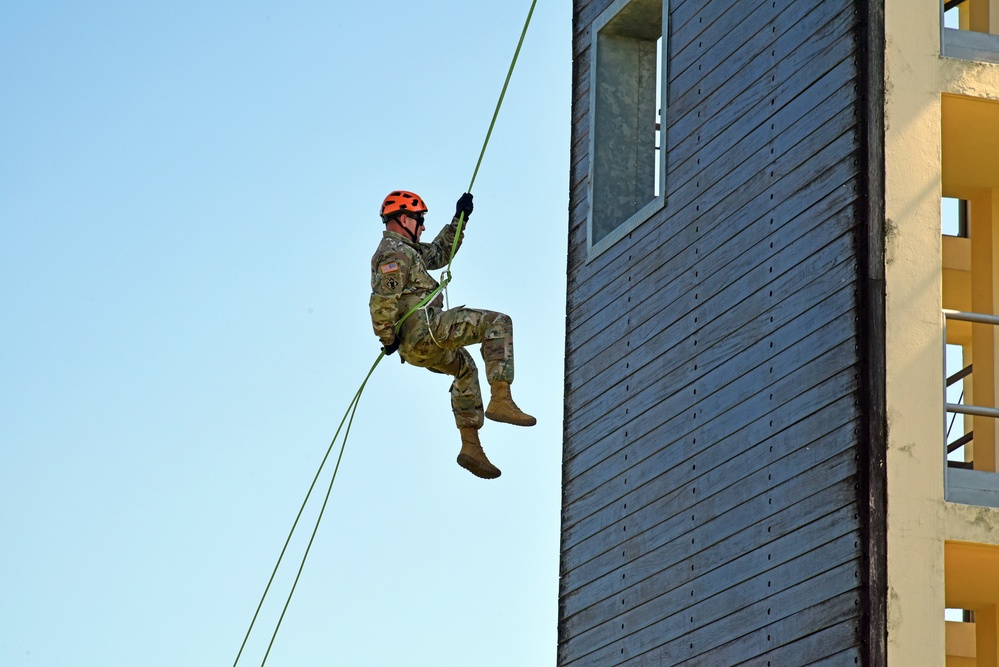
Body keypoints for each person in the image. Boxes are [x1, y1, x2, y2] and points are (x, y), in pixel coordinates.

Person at [369, 190, 536, 480]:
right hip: (425, 331)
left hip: (421, 344)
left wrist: (460, 219)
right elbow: (383, 299)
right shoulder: (393, 253)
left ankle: (470, 446)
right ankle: (501, 398)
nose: (422, 227)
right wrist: (387, 337)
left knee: (465, 368)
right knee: (497, 323)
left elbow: (440, 254)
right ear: (404, 218)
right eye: (420, 220)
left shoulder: (411, 251)